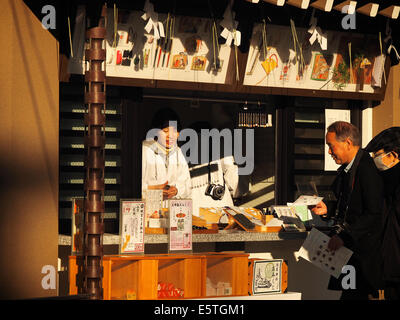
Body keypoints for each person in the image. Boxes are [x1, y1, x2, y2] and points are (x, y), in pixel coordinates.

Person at [311, 121, 384, 300]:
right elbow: (352, 205)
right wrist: (329, 208)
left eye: (331, 146)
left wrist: (344, 237)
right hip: (350, 254)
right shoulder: (349, 169)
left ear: (348, 143)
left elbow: (373, 212)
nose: (329, 152)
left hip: (361, 257)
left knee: (353, 296)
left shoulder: (367, 169)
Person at [366, 127, 400, 300]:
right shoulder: (385, 184)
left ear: (393, 156)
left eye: (377, 155)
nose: (374, 160)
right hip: (390, 271)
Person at [187, 121, 239, 217]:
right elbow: (233, 178)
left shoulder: (183, 154)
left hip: (195, 209)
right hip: (220, 207)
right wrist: (231, 192)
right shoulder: (222, 151)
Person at [142, 108, 191, 201]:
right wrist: (153, 189)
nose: (171, 135)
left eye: (175, 131)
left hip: (171, 209)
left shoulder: (178, 152)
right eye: (165, 131)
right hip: (149, 207)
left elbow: (187, 186)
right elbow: (133, 186)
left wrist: (176, 191)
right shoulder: (145, 150)